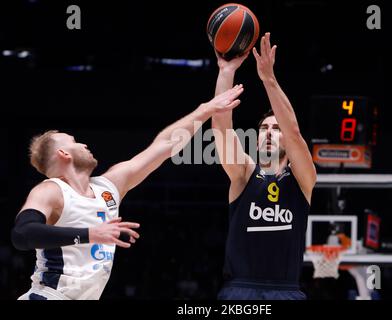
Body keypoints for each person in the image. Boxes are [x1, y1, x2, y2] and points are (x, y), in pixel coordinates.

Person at [11, 85, 244, 300]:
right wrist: (90, 234)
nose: (83, 144)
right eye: (75, 141)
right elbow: (22, 234)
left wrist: (205, 110)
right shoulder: (51, 190)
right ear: (63, 153)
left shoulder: (108, 187)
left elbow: (163, 146)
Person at [212, 33, 317, 300]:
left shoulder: (303, 179)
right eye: (263, 128)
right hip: (240, 290)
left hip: (285, 291)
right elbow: (221, 129)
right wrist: (226, 71)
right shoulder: (244, 174)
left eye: (275, 128)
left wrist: (269, 80)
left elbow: (293, 132)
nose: (269, 133)